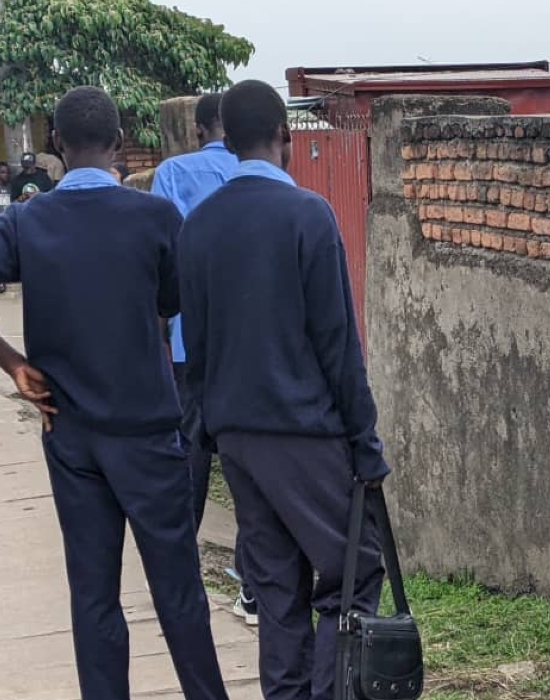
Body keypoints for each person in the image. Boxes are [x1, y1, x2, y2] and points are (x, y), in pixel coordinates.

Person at [0, 86, 230, 700]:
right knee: (177, 592)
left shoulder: (26, 220)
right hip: (148, 432)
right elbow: (174, 302)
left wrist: (12, 361)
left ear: (56, 145)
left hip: (70, 434)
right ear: (120, 143)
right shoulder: (154, 217)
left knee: (94, 596)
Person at [178, 79, 386, 700]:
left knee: (276, 590)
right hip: (306, 431)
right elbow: (336, 340)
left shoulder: (199, 225)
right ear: (284, 136)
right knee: (354, 571)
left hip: (238, 435)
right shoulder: (307, 214)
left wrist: (209, 430)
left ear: (224, 137)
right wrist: (365, 438)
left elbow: (199, 342)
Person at [150, 92, 253, 625]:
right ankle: (251, 574)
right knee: (248, 456)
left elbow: (168, 252)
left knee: (191, 449)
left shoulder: (172, 173)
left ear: (198, 131)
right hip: (253, 342)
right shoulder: (259, 172)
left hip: (193, 341)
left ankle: (178, 564)